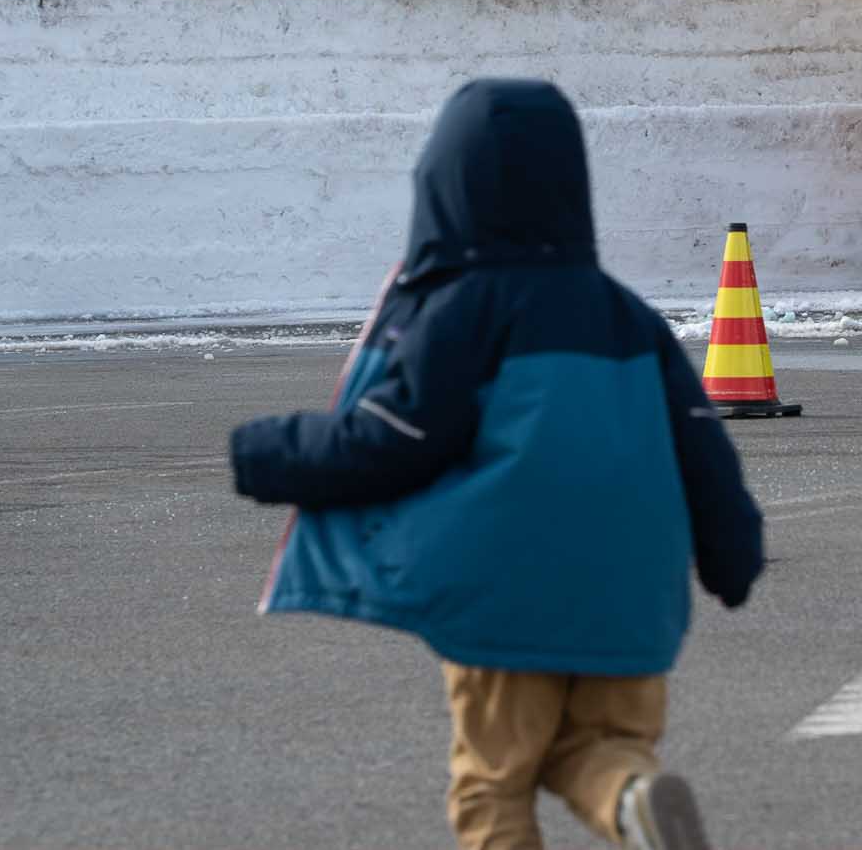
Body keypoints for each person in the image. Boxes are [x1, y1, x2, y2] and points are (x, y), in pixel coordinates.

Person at [230, 78, 764, 850]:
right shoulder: (631, 318)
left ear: (447, 188)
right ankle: (633, 796)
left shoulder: (465, 312)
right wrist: (733, 562)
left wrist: (265, 452)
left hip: (507, 599)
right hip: (629, 597)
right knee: (598, 748)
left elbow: (392, 440)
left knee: (493, 784)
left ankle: (626, 796)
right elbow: (705, 455)